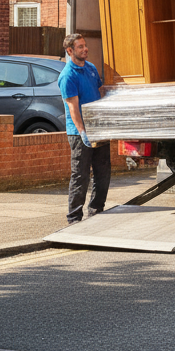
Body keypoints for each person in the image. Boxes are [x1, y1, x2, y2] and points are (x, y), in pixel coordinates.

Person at [58, 33, 108, 224]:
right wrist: (83, 132)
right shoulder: (67, 76)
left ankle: (96, 211)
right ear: (70, 51)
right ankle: (74, 218)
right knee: (81, 176)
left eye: (85, 46)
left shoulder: (91, 68)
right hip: (80, 133)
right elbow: (73, 108)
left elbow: (100, 91)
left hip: (98, 129)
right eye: (80, 47)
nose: (85, 49)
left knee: (103, 173)